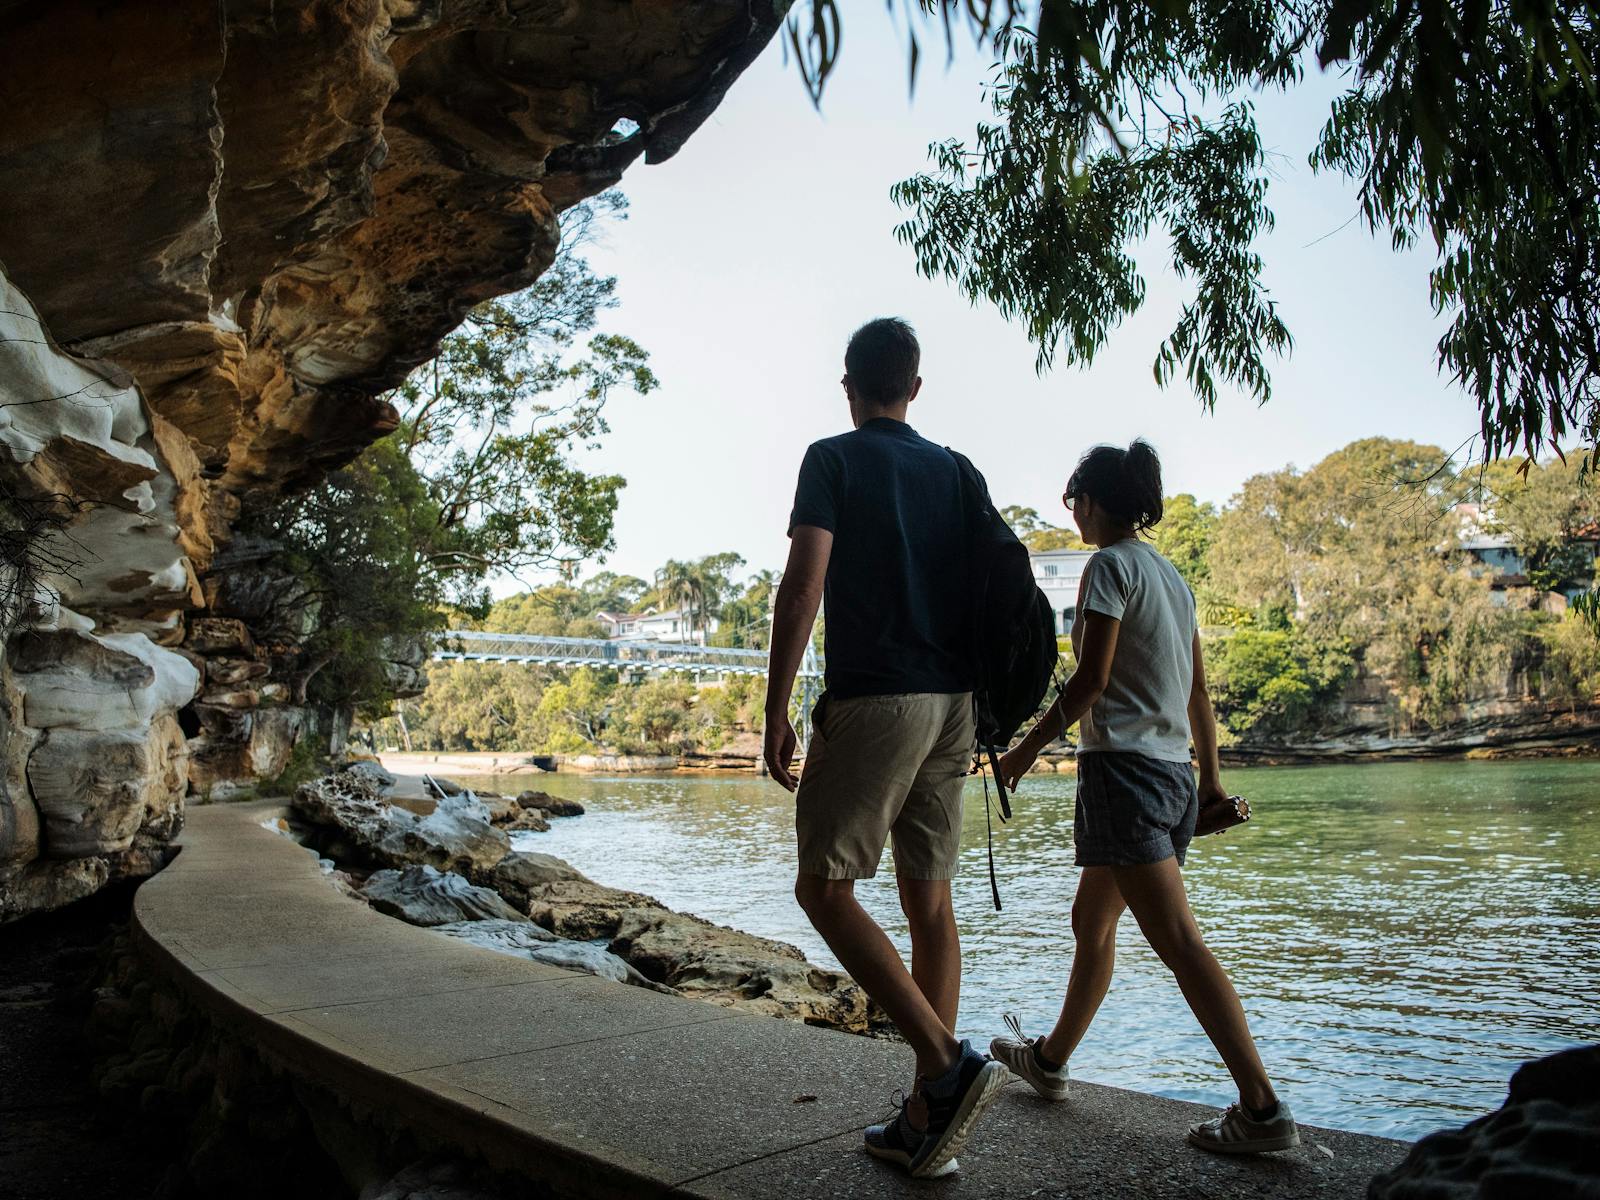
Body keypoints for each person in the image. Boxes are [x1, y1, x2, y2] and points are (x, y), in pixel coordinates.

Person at [988, 440, 1300, 1155]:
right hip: (1174, 778)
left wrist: (1021, 754)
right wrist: (1212, 783)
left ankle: (1262, 1110)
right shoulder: (1172, 577)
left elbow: (1089, 682)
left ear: (1090, 502)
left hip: (1123, 777)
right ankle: (1051, 1061)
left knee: (1181, 944)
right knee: (1091, 920)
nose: (1073, 518)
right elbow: (1195, 690)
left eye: (1073, 504)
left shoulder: (1109, 567)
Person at [765, 317, 1007, 1179]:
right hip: (957, 707)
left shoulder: (833, 457)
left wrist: (775, 708)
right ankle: (923, 1122)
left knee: (824, 888)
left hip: (877, 696)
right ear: (915, 385)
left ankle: (943, 1070)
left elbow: (803, 585)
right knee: (929, 903)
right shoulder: (955, 469)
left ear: (849, 385)